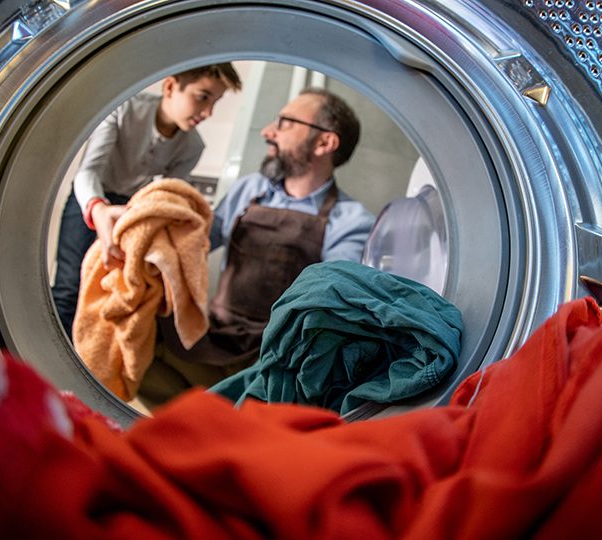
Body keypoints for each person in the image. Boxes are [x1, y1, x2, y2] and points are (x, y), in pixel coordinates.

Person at [147, 87, 376, 401]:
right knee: (139, 336)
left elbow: (327, 306)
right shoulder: (250, 189)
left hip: (275, 360)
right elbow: (196, 244)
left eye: (285, 123)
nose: (268, 132)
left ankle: (211, 425)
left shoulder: (351, 222)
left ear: (325, 142)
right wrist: (152, 232)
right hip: (214, 337)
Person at [52, 63, 242, 338]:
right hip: (94, 197)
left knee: (115, 292)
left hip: (133, 209)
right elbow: (88, 171)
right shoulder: (124, 108)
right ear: (170, 87)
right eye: (202, 97)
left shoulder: (192, 146)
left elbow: (166, 194)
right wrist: (98, 208)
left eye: (215, 102)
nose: (208, 113)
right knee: (69, 287)